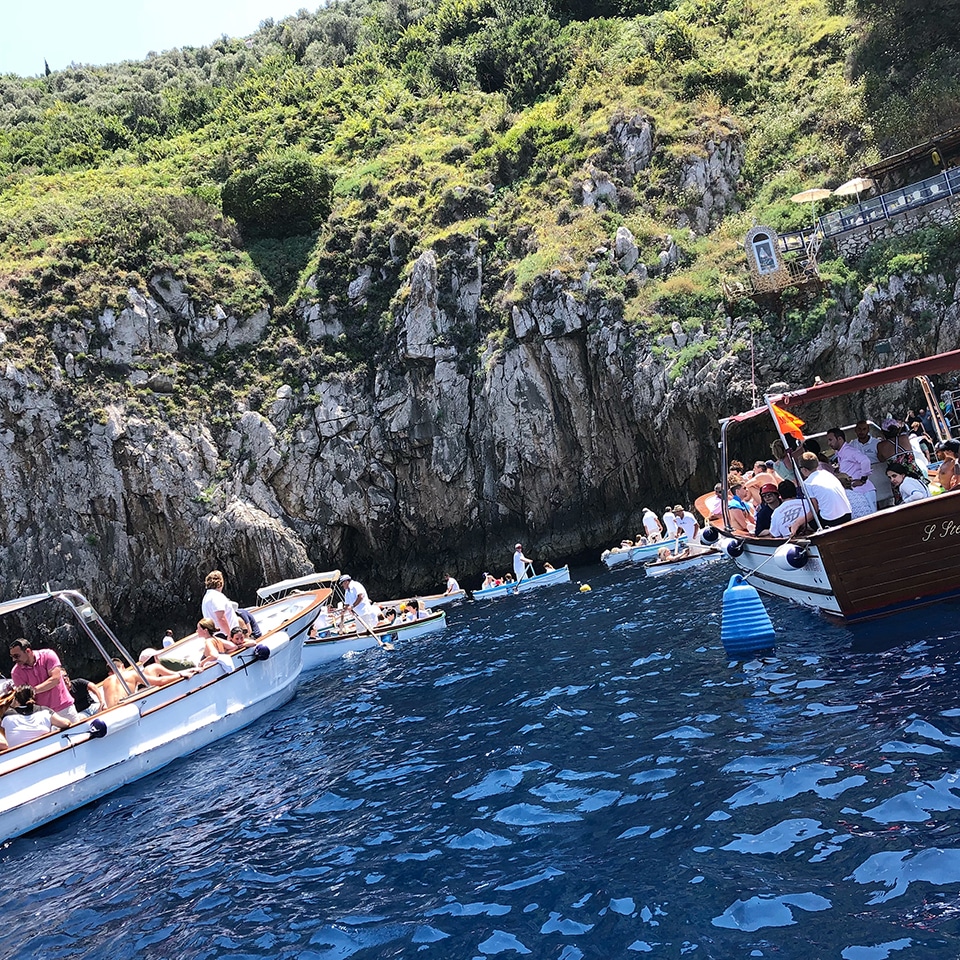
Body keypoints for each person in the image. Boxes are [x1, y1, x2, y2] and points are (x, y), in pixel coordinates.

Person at [8, 639, 79, 722]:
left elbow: (55, 679)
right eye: (12, 657)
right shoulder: (16, 672)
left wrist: (31, 690)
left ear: (27, 651)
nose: (13, 660)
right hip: (43, 715)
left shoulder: (48, 655)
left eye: (16, 656)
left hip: (64, 707)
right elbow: (25, 697)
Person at [791, 451, 852, 533]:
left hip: (832, 521)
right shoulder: (827, 474)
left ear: (804, 470)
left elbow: (814, 511)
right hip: (847, 514)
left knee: (810, 519)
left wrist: (797, 523)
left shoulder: (807, 483)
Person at [826, 426, 876, 517]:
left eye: (830, 440)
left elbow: (865, 461)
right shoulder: (840, 453)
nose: (829, 443)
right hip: (856, 491)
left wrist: (862, 480)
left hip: (864, 490)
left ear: (839, 439)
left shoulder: (849, 451)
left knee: (873, 518)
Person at [2, 685, 72, 747]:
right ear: (33, 697)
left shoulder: (7, 716)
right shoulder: (44, 711)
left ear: (16, 700)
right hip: (45, 750)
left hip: (17, 756)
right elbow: (65, 723)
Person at [849, 419, 892, 507]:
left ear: (868, 430)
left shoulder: (877, 443)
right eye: (859, 429)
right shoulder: (851, 446)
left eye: (864, 429)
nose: (861, 432)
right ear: (855, 431)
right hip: (862, 481)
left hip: (879, 478)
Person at [201, 569, 240, 637]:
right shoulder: (216, 596)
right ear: (220, 582)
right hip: (225, 634)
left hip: (217, 634)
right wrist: (229, 635)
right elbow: (221, 618)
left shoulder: (207, 597)